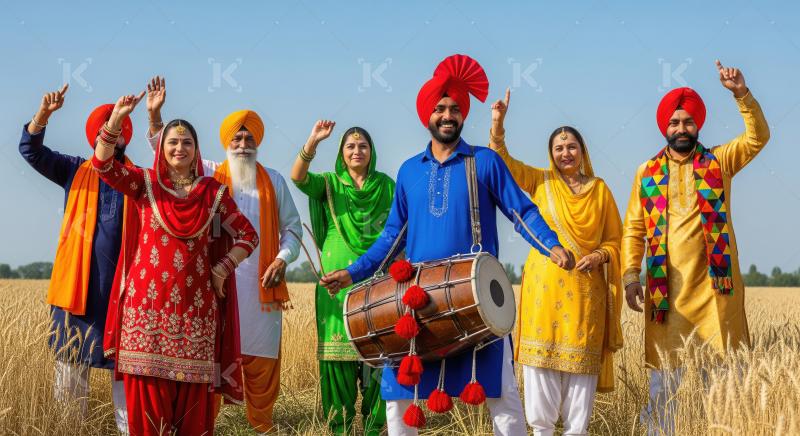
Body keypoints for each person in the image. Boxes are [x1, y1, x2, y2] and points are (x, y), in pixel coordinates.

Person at [321, 54, 574, 436]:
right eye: (440, 109)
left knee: (504, 396)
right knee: (398, 400)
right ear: (428, 115)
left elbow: (521, 211)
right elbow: (391, 238)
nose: (447, 115)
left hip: (477, 300)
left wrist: (551, 246)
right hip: (416, 303)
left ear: (463, 115)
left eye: (455, 109)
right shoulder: (409, 170)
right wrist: (353, 273)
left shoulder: (485, 162)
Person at [93, 92, 258, 435]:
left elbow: (248, 236)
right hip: (145, 317)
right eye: (172, 142)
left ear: (196, 150)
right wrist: (116, 120)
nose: (179, 148)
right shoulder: (145, 184)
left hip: (195, 316)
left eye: (186, 142)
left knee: (192, 420)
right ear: (161, 149)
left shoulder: (212, 192)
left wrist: (222, 268)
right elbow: (103, 166)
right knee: (147, 421)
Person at [144, 77, 302, 433]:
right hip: (216, 288)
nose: (243, 144)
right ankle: (205, 427)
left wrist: (282, 258)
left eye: (249, 139)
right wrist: (155, 117)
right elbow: (171, 153)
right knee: (211, 364)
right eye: (237, 139)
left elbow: (293, 229)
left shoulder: (275, 180)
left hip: (261, 292)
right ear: (226, 143)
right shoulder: (210, 173)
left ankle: (262, 427)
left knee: (262, 367)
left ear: (257, 143)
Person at [621, 60, 770, 435]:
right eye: (674, 122)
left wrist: (742, 94)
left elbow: (757, 138)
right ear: (664, 128)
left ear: (698, 125)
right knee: (664, 389)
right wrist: (630, 275)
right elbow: (634, 228)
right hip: (666, 293)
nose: (681, 128)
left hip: (716, 290)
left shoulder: (718, 161)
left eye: (688, 122)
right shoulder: (646, 172)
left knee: (724, 385)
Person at [488, 89, 623, 435]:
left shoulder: (600, 190)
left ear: (582, 151)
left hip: (585, 299)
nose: (566, 153)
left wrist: (599, 255)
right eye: (559, 148)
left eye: (572, 146)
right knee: (541, 386)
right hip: (544, 296)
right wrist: (498, 124)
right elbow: (501, 162)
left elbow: (615, 239)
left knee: (579, 399)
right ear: (551, 154)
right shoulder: (540, 181)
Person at [18, 84, 129, 433]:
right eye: (105, 129)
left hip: (122, 296)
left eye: (117, 129)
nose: (110, 135)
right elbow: (31, 150)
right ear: (95, 137)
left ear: (124, 138)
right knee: (69, 374)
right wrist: (43, 115)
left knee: (127, 377)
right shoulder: (74, 169)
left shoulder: (136, 179)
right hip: (75, 294)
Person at [291, 120, 394, 435]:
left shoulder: (387, 186)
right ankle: (341, 428)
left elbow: (401, 227)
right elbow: (298, 177)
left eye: (363, 146)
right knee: (338, 355)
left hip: (378, 277)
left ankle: (376, 427)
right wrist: (312, 141)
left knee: (378, 351)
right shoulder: (330, 183)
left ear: (372, 152)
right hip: (335, 283)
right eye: (350, 146)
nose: (356, 151)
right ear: (341, 153)